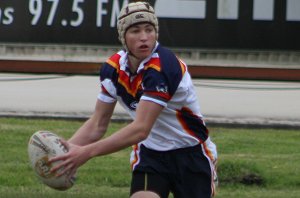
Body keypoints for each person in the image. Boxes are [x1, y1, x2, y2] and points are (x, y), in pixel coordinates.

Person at [50, 1, 218, 198]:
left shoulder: (162, 67)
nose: (144, 37)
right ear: (123, 36)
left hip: (191, 154)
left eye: (149, 29)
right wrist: (63, 156)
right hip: (151, 155)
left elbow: (140, 129)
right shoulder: (112, 69)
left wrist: (86, 152)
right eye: (135, 31)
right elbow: (97, 124)